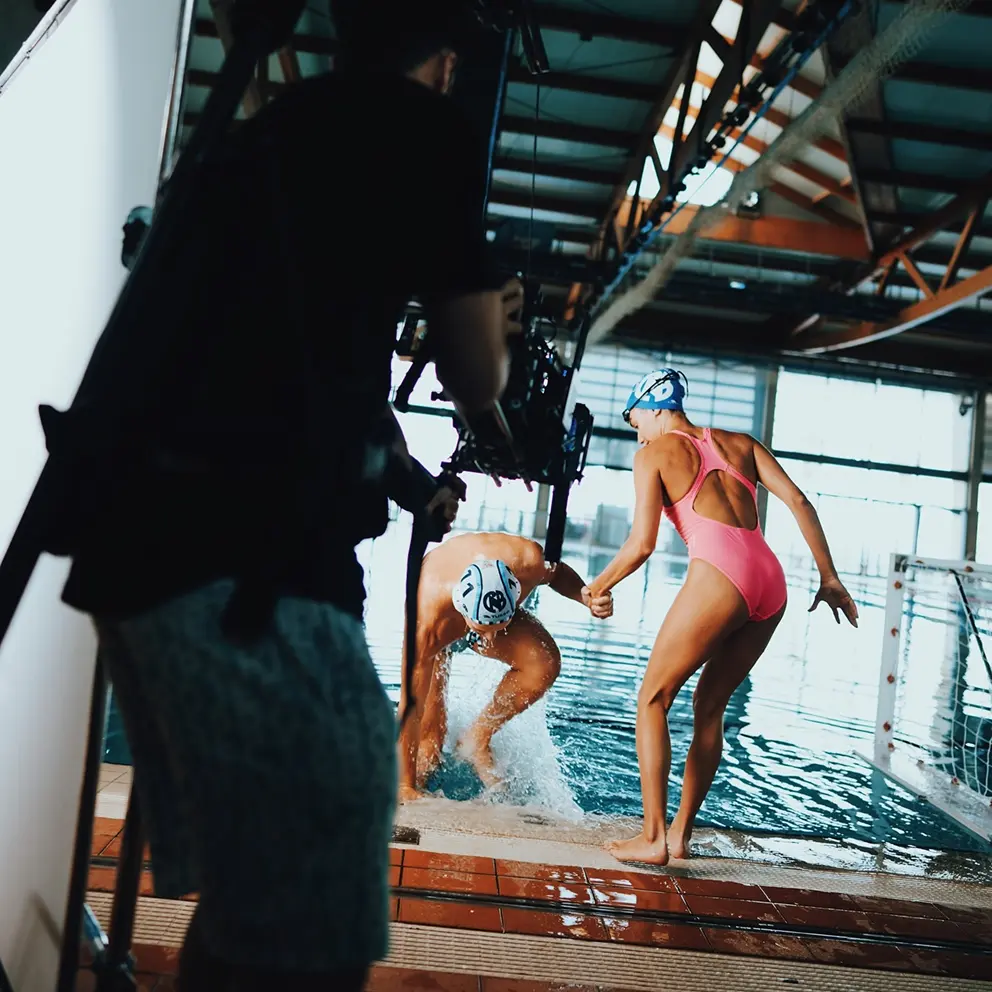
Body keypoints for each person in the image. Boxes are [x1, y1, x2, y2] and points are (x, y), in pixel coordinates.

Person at [58, 4, 522, 990]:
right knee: (323, 900)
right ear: (443, 63)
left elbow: (284, 371)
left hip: (139, 548)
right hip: (242, 565)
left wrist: (406, 484)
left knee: (264, 897)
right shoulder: (422, 131)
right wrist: (496, 319)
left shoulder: (265, 141)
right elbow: (475, 375)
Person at [583, 369, 858, 867]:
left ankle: (652, 838)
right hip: (771, 583)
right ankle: (680, 836)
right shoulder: (741, 443)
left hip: (721, 576)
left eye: (636, 421)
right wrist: (830, 577)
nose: (638, 434)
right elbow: (799, 502)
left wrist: (598, 586)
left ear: (655, 407)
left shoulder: (653, 455)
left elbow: (642, 543)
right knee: (710, 706)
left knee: (652, 699)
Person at [398, 532, 614, 800]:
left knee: (543, 663)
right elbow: (410, 707)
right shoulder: (426, 624)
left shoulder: (528, 562)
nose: (490, 641)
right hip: (440, 618)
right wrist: (405, 787)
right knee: (429, 744)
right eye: (482, 631)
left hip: (483, 607)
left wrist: (586, 597)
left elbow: (557, 573)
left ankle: (476, 739)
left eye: (498, 628)